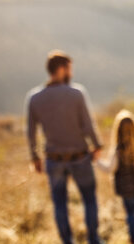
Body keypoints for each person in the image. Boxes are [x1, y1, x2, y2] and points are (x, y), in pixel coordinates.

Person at [25, 50, 103, 244]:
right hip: (80, 157)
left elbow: (31, 131)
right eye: (70, 69)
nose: (72, 74)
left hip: (53, 159)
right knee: (89, 199)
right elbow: (88, 125)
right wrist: (97, 145)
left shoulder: (34, 98)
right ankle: (93, 239)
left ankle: (67, 241)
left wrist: (35, 157)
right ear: (61, 69)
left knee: (60, 204)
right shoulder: (76, 93)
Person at [98, 110, 134, 244]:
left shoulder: (119, 148)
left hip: (126, 188)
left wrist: (96, 161)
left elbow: (109, 168)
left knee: (130, 214)